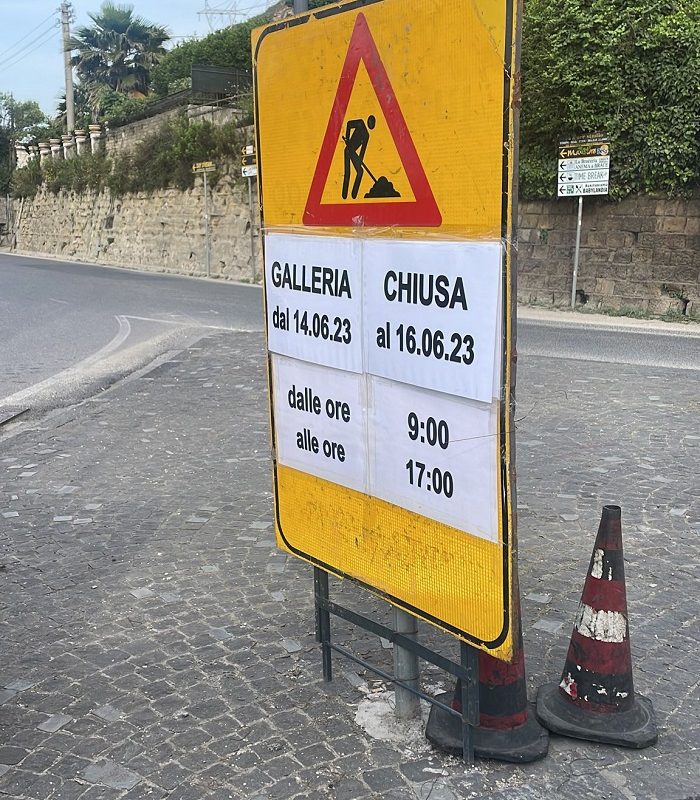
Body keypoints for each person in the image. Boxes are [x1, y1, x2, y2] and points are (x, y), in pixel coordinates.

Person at [342, 115, 375, 200]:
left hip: (353, 152)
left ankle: (354, 194)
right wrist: (347, 138)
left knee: (360, 172)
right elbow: (349, 124)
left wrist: (359, 161)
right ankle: (344, 194)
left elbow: (362, 151)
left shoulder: (367, 136)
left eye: (373, 124)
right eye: (371, 122)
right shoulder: (360, 123)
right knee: (347, 172)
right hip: (348, 150)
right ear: (368, 121)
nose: (371, 125)